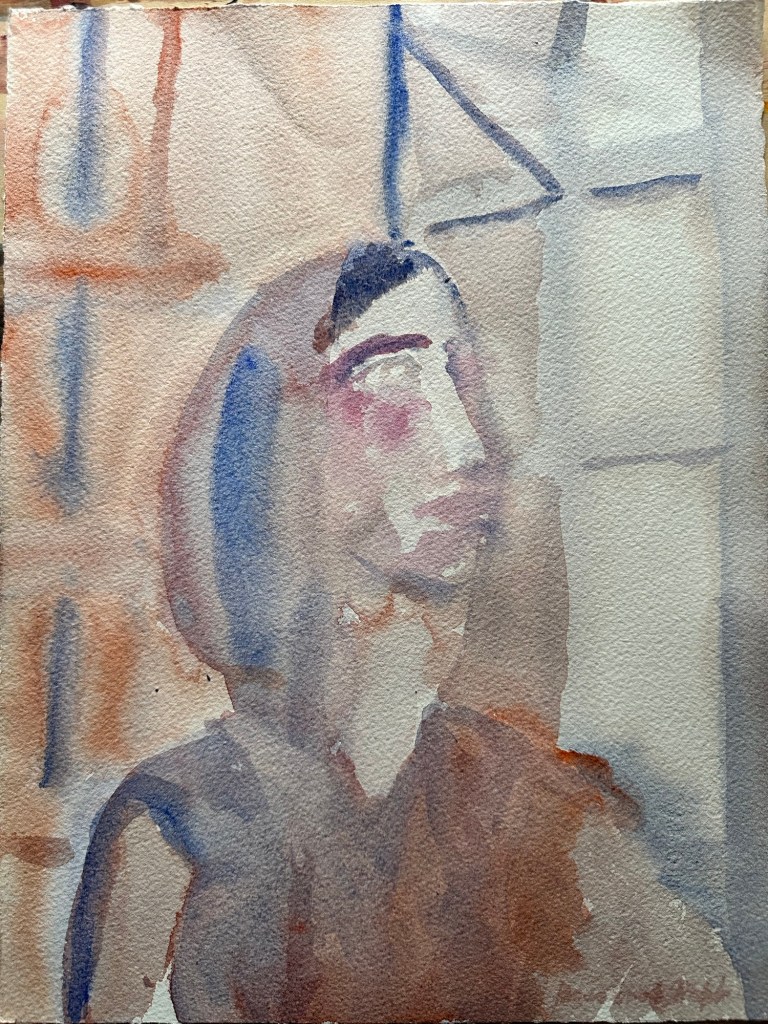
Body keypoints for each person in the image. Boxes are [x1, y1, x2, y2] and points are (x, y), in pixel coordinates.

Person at [64, 242, 744, 1023]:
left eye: (459, 378)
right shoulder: (173, 825)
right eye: (391, 376)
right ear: (278, 439)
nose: (468, 447)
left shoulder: (545, 810)